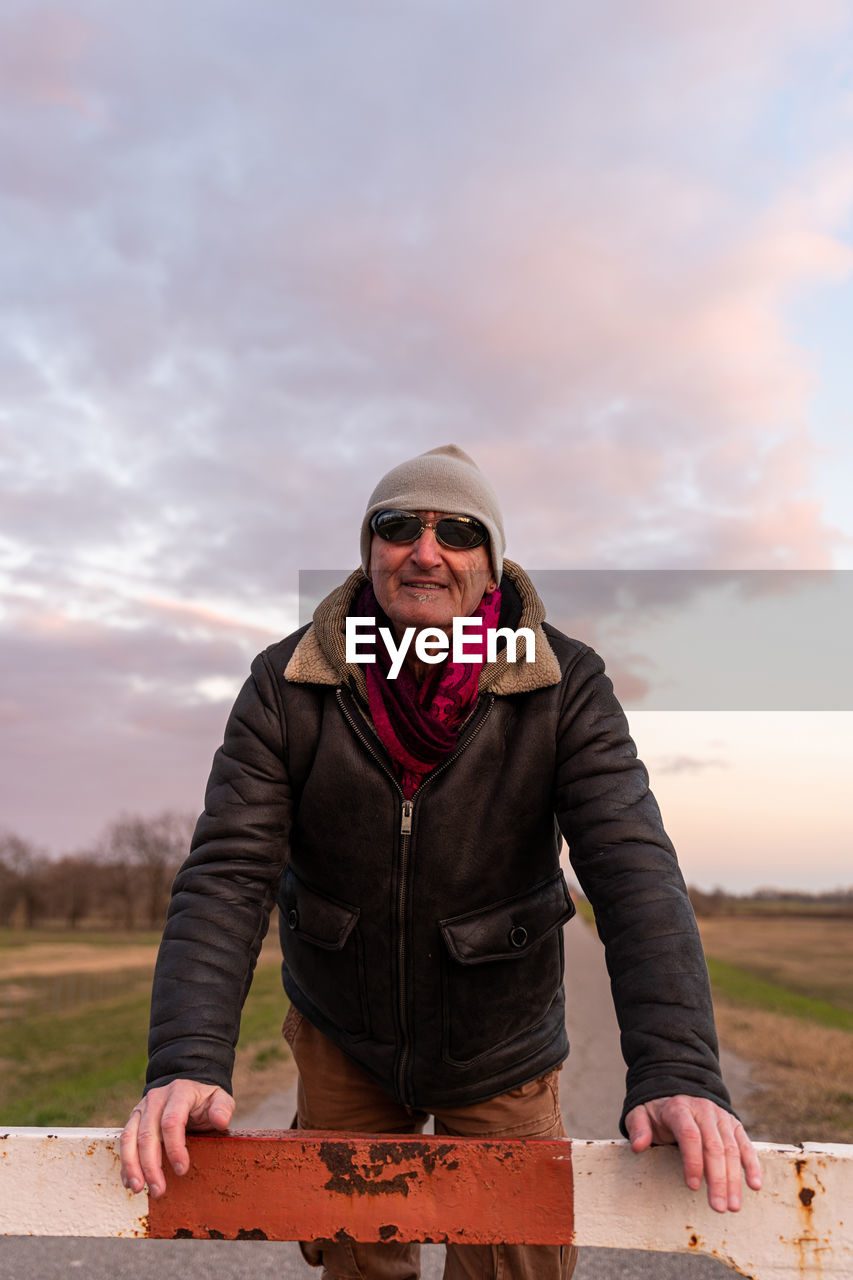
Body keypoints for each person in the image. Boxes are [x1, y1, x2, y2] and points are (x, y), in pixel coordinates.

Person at [121, 444, 762, 1280]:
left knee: (511, 1262)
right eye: (398, 526)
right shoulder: (286, 682)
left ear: (489, 562)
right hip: (342, 1030)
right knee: (359, 1262)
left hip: (501, 1039)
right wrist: (186, 1062)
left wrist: (677, 1069)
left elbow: (631, 866)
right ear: (370, 551)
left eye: (456, 530)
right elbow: (227, 872)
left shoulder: (564, 683)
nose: (425, 551)